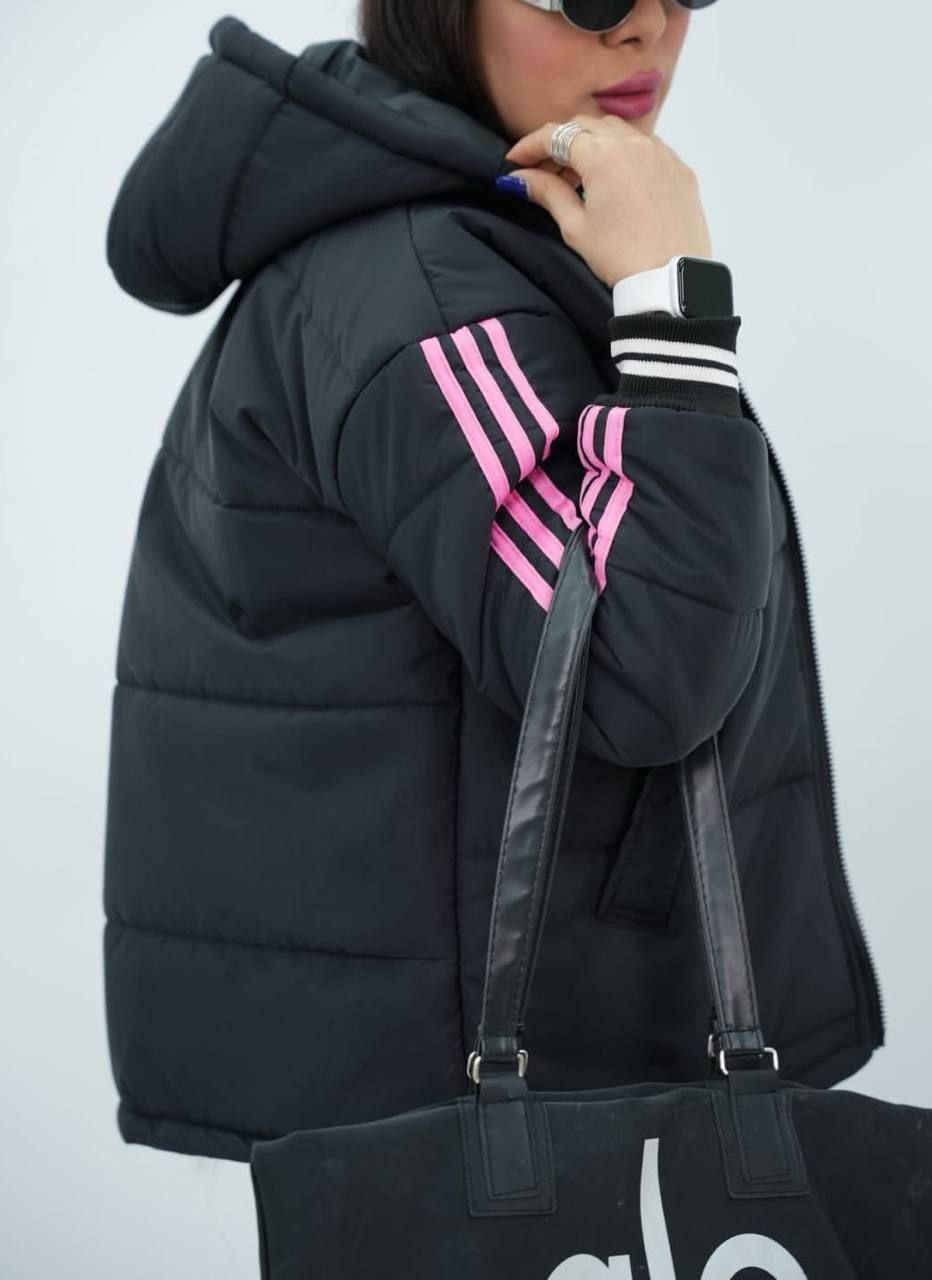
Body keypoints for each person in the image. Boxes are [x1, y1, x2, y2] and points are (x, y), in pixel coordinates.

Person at [102, 0, 884, 1165]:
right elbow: (638, 670)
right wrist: (673, 310)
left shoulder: (470, 244)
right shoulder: (424, 293)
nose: (648, 29)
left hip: (495, 1075)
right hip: (476, 1109)